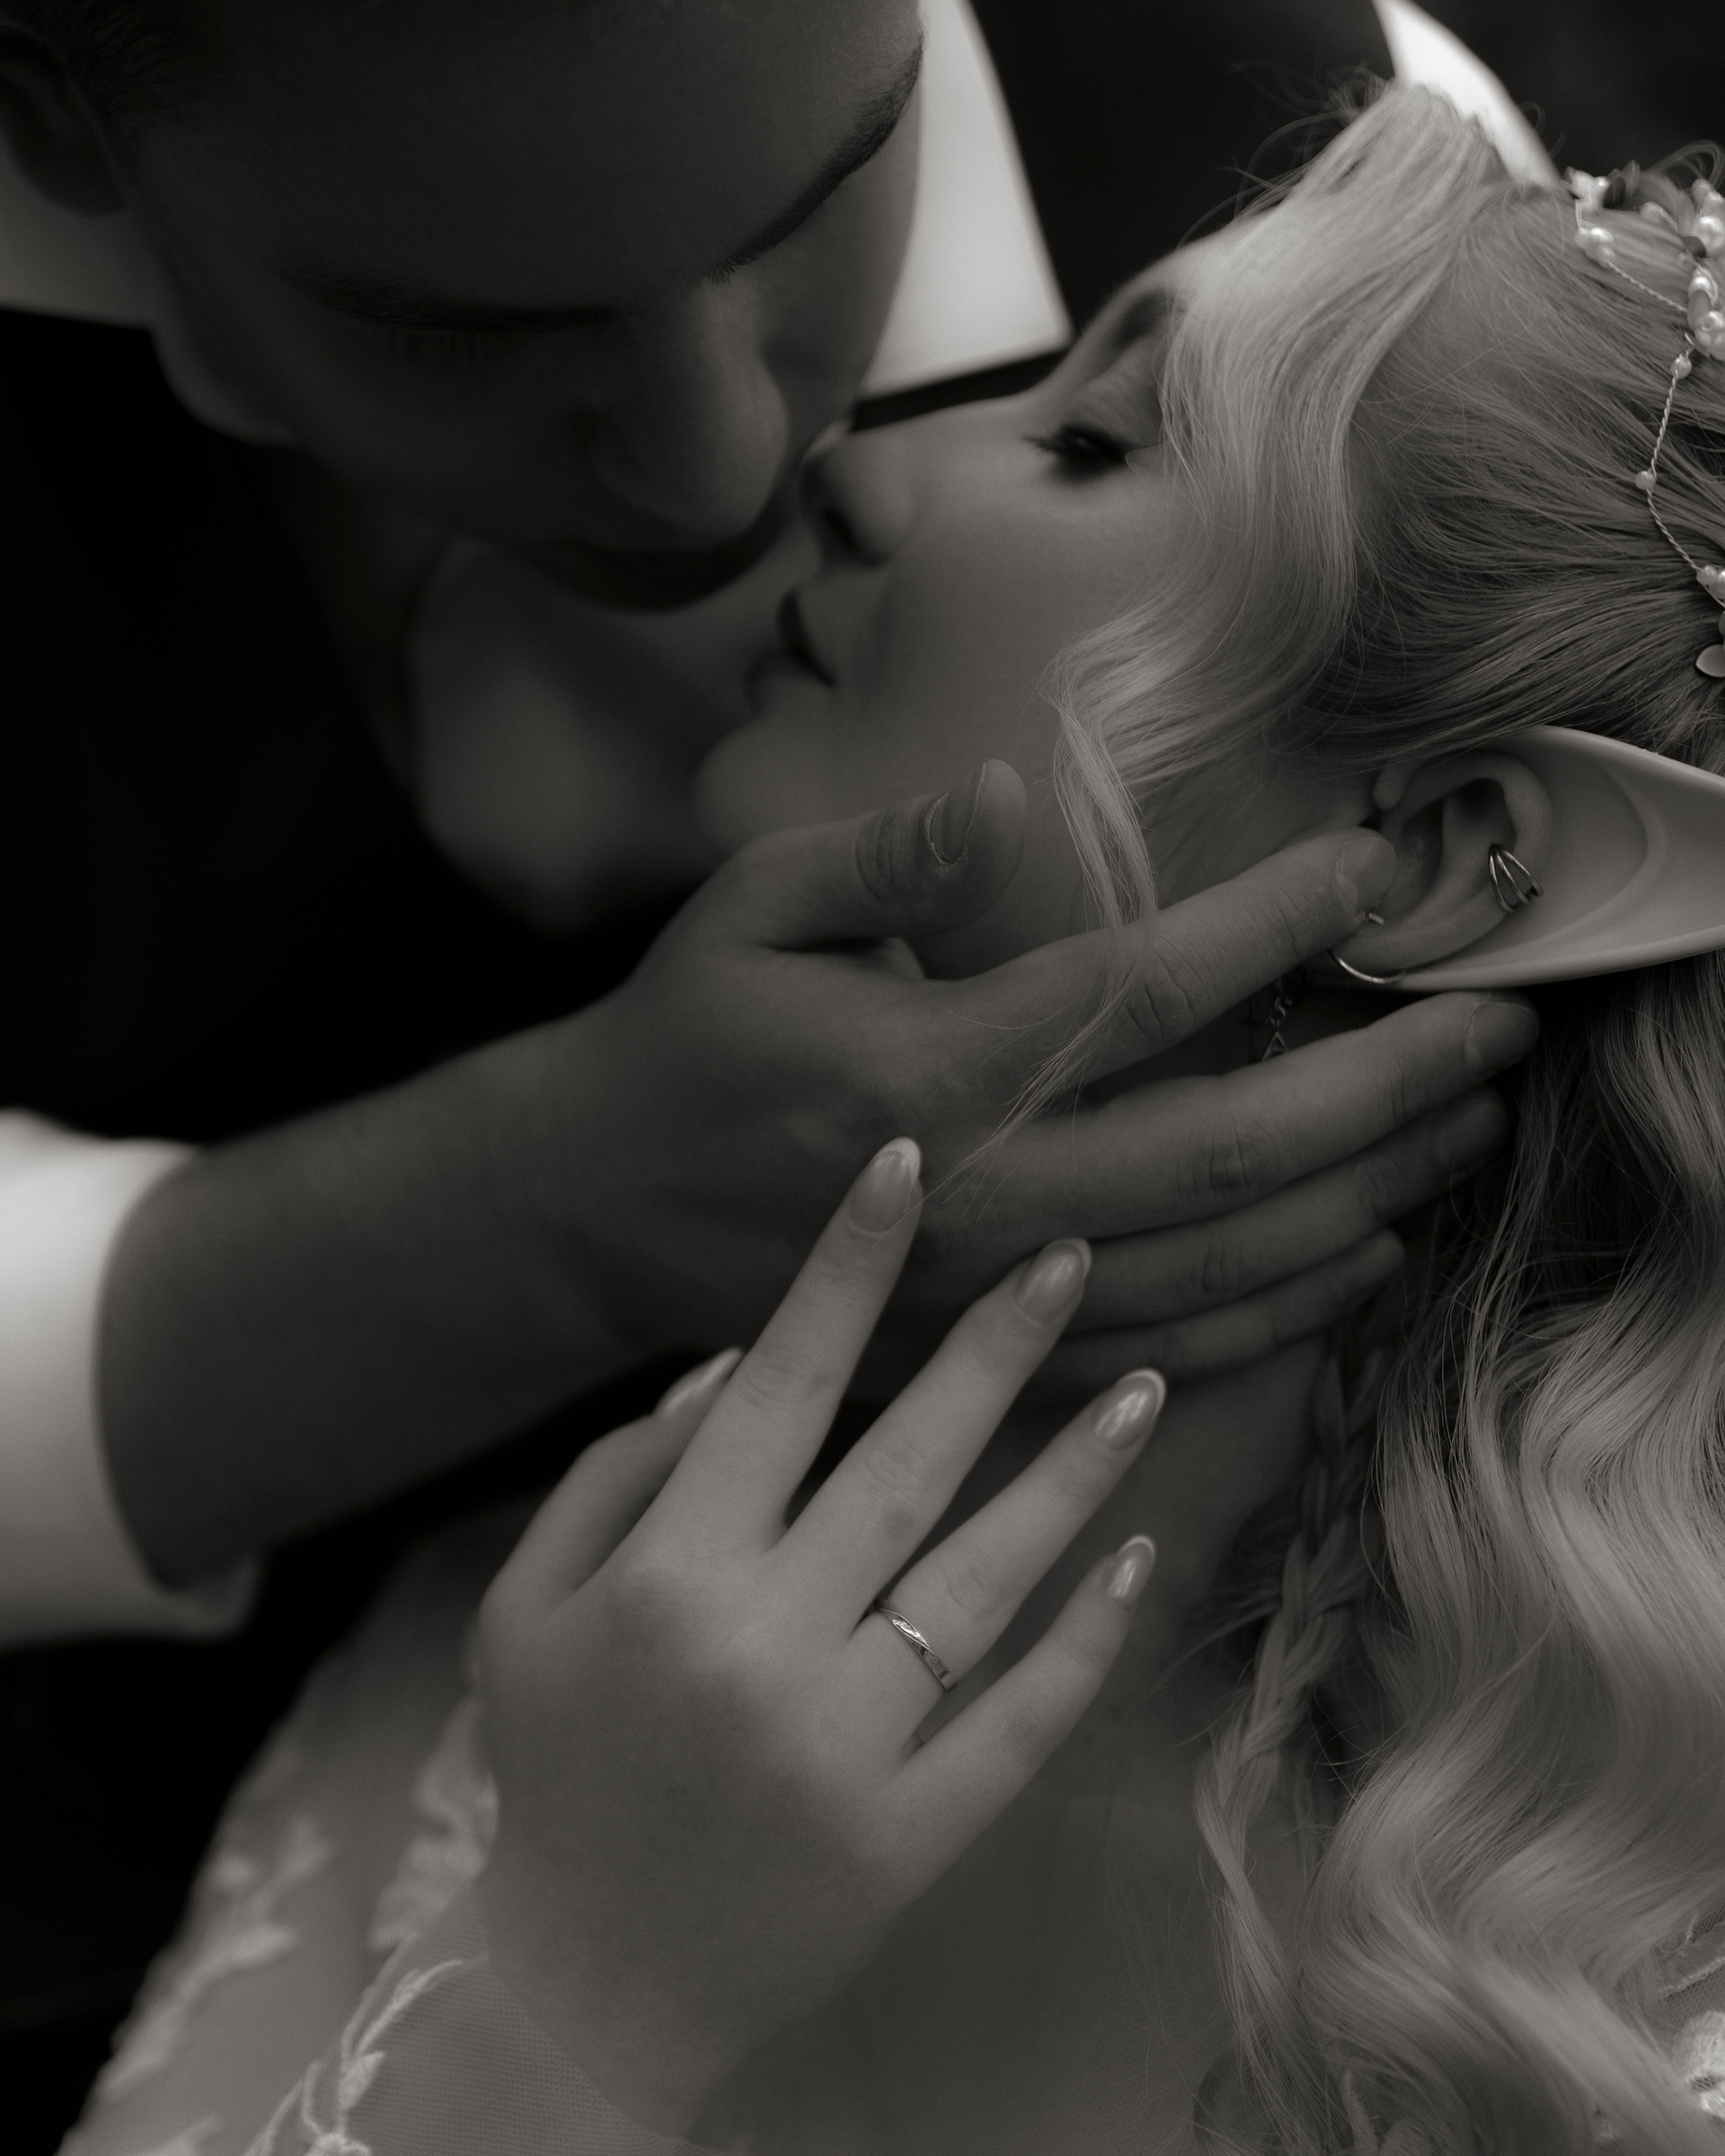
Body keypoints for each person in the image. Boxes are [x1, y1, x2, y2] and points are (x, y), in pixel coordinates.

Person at [57, 76, 1725, 2156]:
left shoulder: (1596, 2010)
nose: (836, 472)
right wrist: (563, 1994)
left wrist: (574, 2021)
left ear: (1458, 853)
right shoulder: (592, 1617)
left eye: (1095, 444)